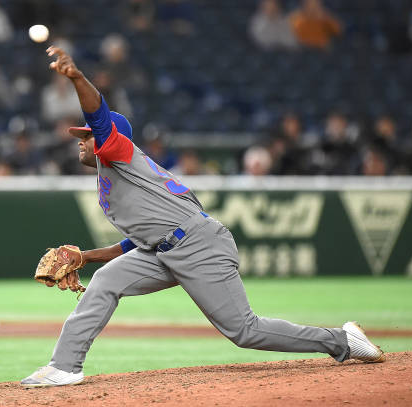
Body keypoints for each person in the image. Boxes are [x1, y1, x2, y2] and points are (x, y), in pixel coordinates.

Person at [20, 45, 386, 387]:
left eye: (86, 135)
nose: (81, 140)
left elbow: (98, 116)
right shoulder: (121, 174)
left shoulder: (116, 152)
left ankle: (342, 340)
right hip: (164, 248)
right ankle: (65, 366)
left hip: (198, 244)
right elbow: (137, 242)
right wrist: (86, 257)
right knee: (105, 280)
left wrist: (76, 78)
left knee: (244, 331)